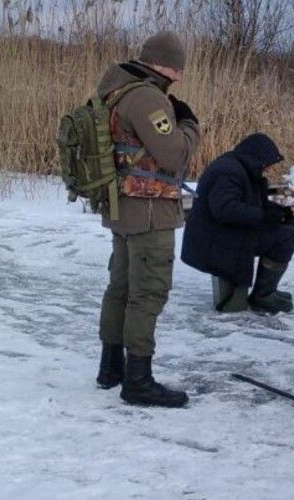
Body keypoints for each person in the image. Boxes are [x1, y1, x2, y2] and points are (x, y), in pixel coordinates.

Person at [95, 31, 200, 407]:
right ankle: (138, 381)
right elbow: (173, 155)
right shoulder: (146, 97)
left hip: (124, 209)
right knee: (147, 293)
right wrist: (189, 126)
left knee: (120, 288)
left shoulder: (116, 89)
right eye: (177, 69)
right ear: (162, 64)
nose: (180, 78)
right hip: (149, 212)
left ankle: (111, 368)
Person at [181, 133, 294, 314]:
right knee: (285, 236)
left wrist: (279, 212)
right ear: (256, 157)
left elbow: (252, 205)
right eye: (266, 163)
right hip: (214, 242)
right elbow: (226, 209)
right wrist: (265, 216)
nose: (267, 168)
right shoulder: (229, 172)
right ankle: (263, 295)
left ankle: (266, 290)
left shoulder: (241, 168)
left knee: (290, 227)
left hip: (222, 234)